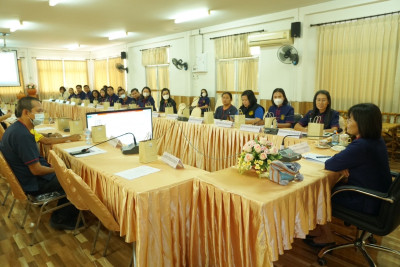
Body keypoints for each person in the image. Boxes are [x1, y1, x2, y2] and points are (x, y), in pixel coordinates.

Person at [304, 103, 392, 247]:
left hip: (366, 200)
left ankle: (326, 236)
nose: (347, 123)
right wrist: (345, 164)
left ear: (362, 123)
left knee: (317, 192)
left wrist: (342, 165)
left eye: (350, 119)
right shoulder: (376, 140)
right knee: (332, 183)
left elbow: (331, 164)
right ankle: (318, 229)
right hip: (381, 198)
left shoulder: (361, 145)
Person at [0, 97, 79, 230]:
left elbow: (46, 141)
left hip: (26, 176)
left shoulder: (20, 128)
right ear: (26, 112)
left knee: (68, 170)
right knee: (75, 178)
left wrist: (69, 138)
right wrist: (59, 170)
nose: (42, 114)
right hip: (33, 182)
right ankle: (61, 218)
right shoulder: (22, 135)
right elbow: (36, 170)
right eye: (39, 110)